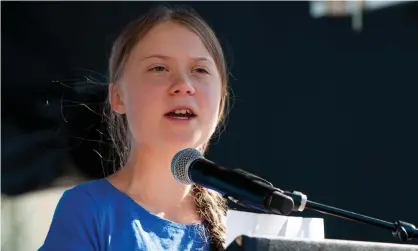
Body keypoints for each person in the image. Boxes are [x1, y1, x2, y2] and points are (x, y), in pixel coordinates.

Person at [39, 4, 230, 251]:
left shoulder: (240, 224)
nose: (183, 84)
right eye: (159, 68)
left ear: (221, 99)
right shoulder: (90, 210)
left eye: (200, 70)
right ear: (118, 97)